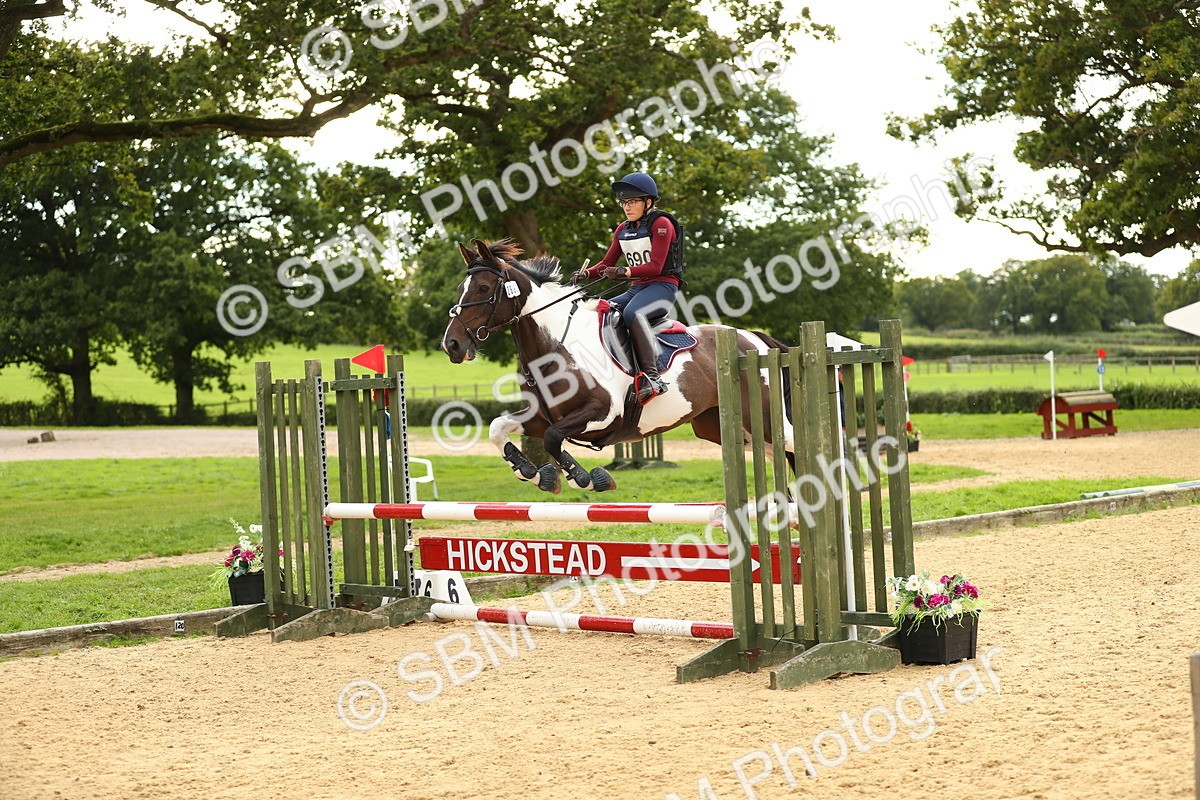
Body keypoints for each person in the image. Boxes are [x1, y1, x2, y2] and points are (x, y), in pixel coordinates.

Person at [572, 172, 684, 403]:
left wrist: (624, 272)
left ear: (648, 202)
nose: (627, 207)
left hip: (663, 287)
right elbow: (606, 263)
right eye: (624, 202)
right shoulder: (622, 229)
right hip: (637, 289)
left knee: (633, 312)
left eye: (632, 202)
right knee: (598, 310)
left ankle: (652, 378)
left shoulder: (661, 224)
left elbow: (655, 266)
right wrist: (586, 273)